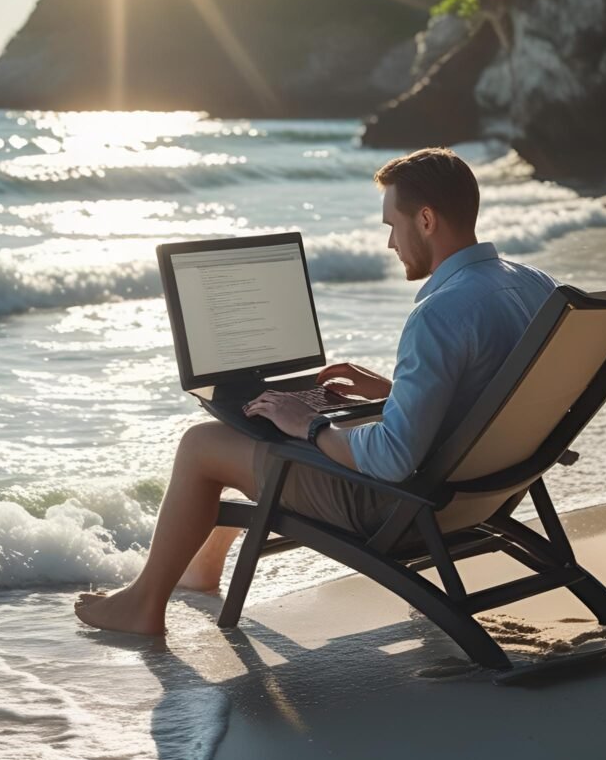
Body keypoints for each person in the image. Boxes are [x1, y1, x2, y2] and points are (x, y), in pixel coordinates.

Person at [74, 148, 557, 634]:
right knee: (259, 422)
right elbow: (488, 398)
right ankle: (199, 571)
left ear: (426, 219)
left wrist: (310, 424)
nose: (390, 242)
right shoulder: (535, 286)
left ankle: (143, 606)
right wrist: (395, 393)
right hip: (484, 492)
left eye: (392, 224)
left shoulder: (439, 313)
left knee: (204, 443)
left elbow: (392, 460)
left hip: (399, 506)